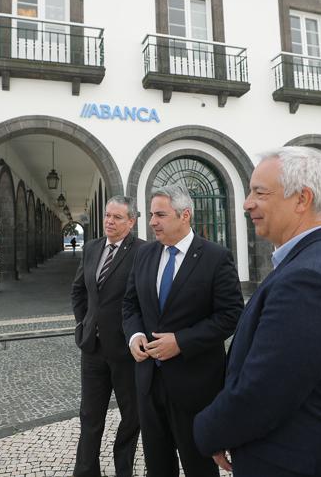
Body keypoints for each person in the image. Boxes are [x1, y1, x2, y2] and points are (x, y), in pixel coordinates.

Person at [193, 147, 321, 476]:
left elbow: (266, 390)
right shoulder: (318, 259)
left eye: (259, 192)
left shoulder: (311, 277)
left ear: (302, 199)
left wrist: (208, 431)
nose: (247, 202)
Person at [122, 184, 243, 477]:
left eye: (160, 214)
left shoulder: (216, 257)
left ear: (185, 215)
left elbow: (231, 314)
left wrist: (182, 341)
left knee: (199, 468)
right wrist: (135, 336)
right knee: (158, 469)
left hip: (195, 388)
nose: (152, 222)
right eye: (151, 214)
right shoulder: (144, 254)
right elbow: (130, 305)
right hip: (149, 384)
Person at [72, 196, 145, 477]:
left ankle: (123, 469)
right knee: (90, 417)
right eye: (107, 215)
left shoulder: (142, 251)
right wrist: (84, 323)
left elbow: (144, 299)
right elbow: (79, 290)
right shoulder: (91, 249)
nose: (109, 222)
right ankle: (86, 471)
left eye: (117, 217)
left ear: (131, 221)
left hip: (126, 351)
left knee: (132, 417)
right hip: (92, 349)